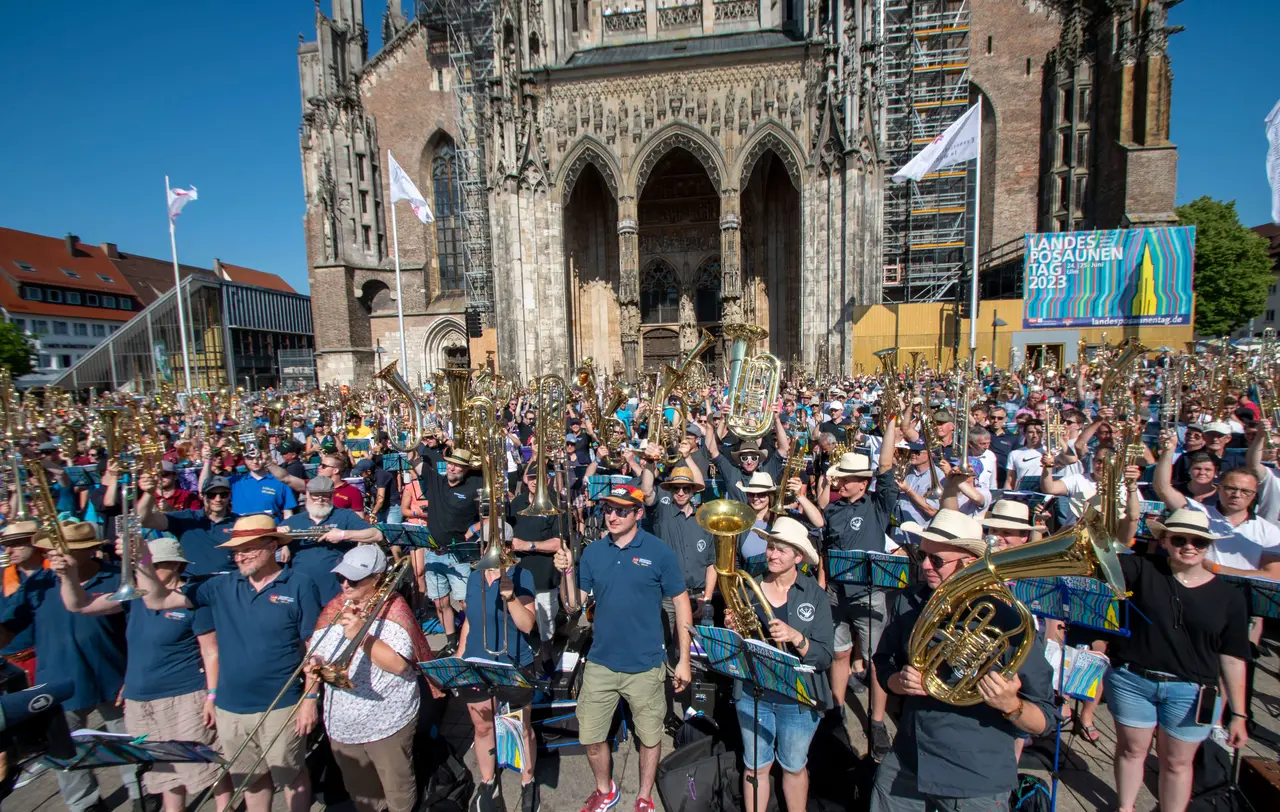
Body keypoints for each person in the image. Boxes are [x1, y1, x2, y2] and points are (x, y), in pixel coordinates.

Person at [133, 514, 323, 812]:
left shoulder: (299, 584)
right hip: (230, 708)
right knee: (250, 780)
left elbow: (314, 648)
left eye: (247, 548)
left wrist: (311, 698)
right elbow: (156, 600)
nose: (240, 556)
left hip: (282, 704)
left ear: (272, 545)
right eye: (236, 550)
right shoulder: (218, 586)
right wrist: (142, 561)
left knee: (292, 776)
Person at [872, 510, 1056, 812]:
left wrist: (1012, 705)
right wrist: (899, 682)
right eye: (922, 555)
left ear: (969, 563)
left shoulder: (1010, 621)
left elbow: (1045, 720)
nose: (926, 566)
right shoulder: (910, 601)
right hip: (909, 759)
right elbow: (883, 663)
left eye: (938, 560)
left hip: (974, 776)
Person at [56, 536, 229, 812]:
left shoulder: (192, 600)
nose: (146, 571)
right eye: (140, 565)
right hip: (140, 699)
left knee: (204, 764)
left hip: (184, 695)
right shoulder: (133, 597)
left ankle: (226, 808)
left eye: (154, 565)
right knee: (163, 769)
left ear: (175, 565)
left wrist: (212, 695)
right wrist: (68, 575)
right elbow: (80, 604)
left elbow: (212, 652)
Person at [554, 484, 691, 812]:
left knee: (649, 736)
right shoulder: (593, 552)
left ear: (639, 513)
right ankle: (605, 789)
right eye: (607, 509)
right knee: (590, 734)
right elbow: (574, 606)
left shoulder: (659, 552)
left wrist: (683, 659)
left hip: (645, 664)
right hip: (601, 662)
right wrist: (566, 573)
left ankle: (644, 797)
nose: (612, 516)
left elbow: (682, 604)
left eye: (621, 510)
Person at [1106, 508, 1250, 812]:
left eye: (1198, 541)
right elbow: (1109, 555)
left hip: (1192, 691)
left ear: (1207, 545)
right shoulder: (1142, 568)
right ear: (1165, 541)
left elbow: (1233, 657)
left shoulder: (1230, 597)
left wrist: (1238, 713)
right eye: (1179, 539)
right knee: (1132, 750)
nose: (1189, 546)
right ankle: (1125, 808)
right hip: (1134, 680)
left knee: (1178, 763)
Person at [0, 521, 141, 812]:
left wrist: (135, 675)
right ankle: (85, 804)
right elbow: (8, 631)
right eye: (53, 551)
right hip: (57, 681)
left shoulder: (116, 577)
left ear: (89, 551)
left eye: (65, 551)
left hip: (113, 675)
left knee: (128, 741)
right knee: (63, 751)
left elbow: (139, 632)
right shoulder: (38, 582)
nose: (56, 557)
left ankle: (141, 791)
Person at [307, 546, 432, 812]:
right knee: (362, 795)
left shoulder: (394, 610)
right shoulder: (335, 608)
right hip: (342, 725)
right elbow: (316, 650)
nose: (344, 585)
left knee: (397, 790)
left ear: (376, 578)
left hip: (386, 722)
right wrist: (314, 672)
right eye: (341, 578)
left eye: (353, 580)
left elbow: (399, 665)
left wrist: (362, 637)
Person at [735, 517, 834, 812]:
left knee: (793, 767)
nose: (772, 555)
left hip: (797, 698)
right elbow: (740, 645)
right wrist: (734, 628)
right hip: (755, 694)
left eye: (781, 550)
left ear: (798, 557)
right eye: (770, 547)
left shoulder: (815, 595)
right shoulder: (749, 587)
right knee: (755, 768)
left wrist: (796, 638)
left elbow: (825, 655)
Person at [817, 428, 898, 761]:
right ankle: (837, 710)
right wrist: (823, 585)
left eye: (848, 479)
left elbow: (887, 468)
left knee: (877, 660)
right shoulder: (833, 511)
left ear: (863, 483)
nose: (842, 483)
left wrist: (891, 424)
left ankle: (876, 721)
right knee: (839, 654)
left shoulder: (878, 505)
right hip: (837, 594)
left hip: (870, 594)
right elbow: (825, 549)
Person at [457, 538, 541, 812]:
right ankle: (488, 779)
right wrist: (459, 658)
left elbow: (528, 625)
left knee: (520, 728)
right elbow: (469, 621)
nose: (494, 551)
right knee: (482, 728)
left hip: (513, 663)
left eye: (501, 544)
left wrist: (512, 597)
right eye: (488, 544)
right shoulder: (474, 576)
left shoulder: (522, 574)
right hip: (477, 663)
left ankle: (528, 781)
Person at [414, 445, 484, 655]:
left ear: (465, 470)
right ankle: (451, 641)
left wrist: (473, 528)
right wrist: (410, 439)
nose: (453, 468)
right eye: (451, 464)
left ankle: (473, 639)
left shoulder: (475, 486)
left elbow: (491, 515)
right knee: (440, 602)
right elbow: (414, 460)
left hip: (459, 555)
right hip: (433, 553)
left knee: (465, 602)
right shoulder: (435, 479)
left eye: (459, 466)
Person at [639, 457, 714, 642]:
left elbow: (712, 563)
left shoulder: (704, 521)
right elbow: (647, 491)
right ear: (670, 490)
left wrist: (707, 598)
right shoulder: (661, 513)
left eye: (686, 488)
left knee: (696, 653)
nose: (680, 493)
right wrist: (650, 461)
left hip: (698, 596)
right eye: (676, 488)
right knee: (663, 644)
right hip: (668, 595)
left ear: (693, 491)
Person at [282, 476, 384, 603]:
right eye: (315, 495)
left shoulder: (344, 515)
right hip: (301, 591)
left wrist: (342, 535)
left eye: (325, 495)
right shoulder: (294, 521)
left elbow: (376, 535)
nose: (320, 500)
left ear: (332, 496)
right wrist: (280, 541)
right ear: (307, 495)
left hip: (334, 589)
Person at [505, 463, 564, 670]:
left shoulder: (556, 503)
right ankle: (524, 660)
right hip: (519, 573)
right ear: (524, 480)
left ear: (546, 480)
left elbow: (560, 542)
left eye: (537, 477)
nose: (533, 482)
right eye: (530, 478)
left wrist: (528, 545)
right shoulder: (518, 502)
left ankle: (547, 659)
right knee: (520, 619)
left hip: (543, 574)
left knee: (545, 621)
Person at [137, 474, 239, 577]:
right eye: (211, 494)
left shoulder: (240, 522)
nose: (218, 499)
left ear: (229, 496)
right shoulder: (187, 517)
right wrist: (149, 493)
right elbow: (142, 519)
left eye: (223, 494)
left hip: (228, 581)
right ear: (202, 496)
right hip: (192, 582)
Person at [0, 520, 46, 686]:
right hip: (10, 666)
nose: (9, 551)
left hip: (45, 661)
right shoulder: (4, 578)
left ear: (35, 543)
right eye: (6, 545)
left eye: (16, 544)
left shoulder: (56, 575)